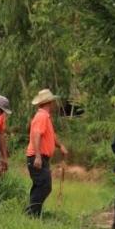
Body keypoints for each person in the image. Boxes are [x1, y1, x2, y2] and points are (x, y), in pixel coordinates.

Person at [26, 89, 68, 217]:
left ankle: (34, 214)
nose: (55, 104)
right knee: (45, 186)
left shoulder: (45, 117)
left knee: (40, 186)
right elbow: (36, 135)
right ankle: (30, 214)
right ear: (49, 102)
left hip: (42, 158)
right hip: (37, 157)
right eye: (53, 102)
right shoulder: (42, 116)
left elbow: (50, 136)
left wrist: (60, 145)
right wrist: (38, 156)